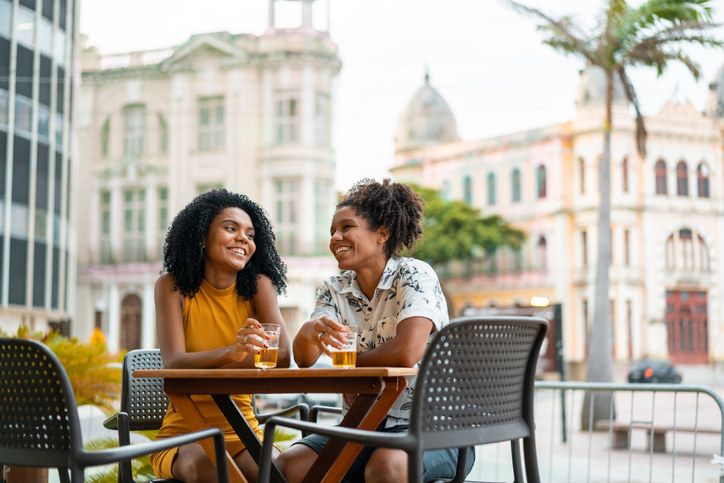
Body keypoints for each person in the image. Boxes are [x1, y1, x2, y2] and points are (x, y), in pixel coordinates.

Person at [275, 179, 475, 483]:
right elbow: (304, 359)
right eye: (332, 231)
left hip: (435, 428)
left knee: (386, 467)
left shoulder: (414, 274)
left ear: (382, 233)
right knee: (290, 465)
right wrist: (310, 330)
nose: (335, 237)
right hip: (360, 428)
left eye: (346, 227)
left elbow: (407, 351)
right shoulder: (334, 289)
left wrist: (350, 363)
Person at [150, 189, 290, 483]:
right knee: (214, 468)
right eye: (231, 228)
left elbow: (281, 357)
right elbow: (173, 363)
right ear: (202, 236)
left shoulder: (258, 287)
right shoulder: (171, 287)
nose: (244, 239)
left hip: (243, 434)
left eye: (250, 234)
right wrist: (233, 353)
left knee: (282, 473)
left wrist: (215, 363)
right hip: (185, 437)